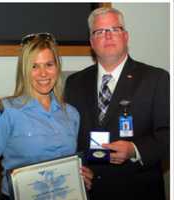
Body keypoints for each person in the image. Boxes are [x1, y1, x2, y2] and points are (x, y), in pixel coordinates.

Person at [64, 7, 169, 200]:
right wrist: (74, 169)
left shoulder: (156, 79)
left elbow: (168, 134)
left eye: (114, 29)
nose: (108, 36)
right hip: (89, 190)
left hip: (138, 191)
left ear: (126, 36)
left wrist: (134, 150)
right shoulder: (74, 83)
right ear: (91, 42)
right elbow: (68, 136)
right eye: (100, 32)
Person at [0, 32, 93, 200]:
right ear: (24, 70)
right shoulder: (5, 111)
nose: (43, 73)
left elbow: (69, 166)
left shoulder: (71, 114)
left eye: (49, 64)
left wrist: (81, 177)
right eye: (34, 66)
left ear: (57, 67)